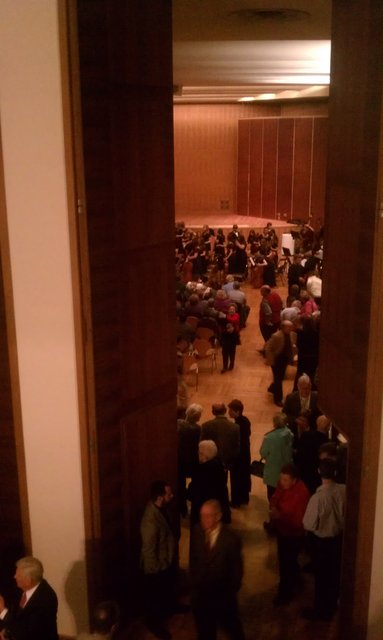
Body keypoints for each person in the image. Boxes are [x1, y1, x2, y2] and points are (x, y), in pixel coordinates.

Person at [189, 500, 245, 640]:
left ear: (218, 516)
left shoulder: (231, 539)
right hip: (201, 596)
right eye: (202, 515)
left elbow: (236, 572)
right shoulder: (197, 531)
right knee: (205, 632)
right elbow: (193, 560)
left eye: (208, 516)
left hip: (222, 597)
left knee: (232, 628)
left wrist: (227, 594)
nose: (204, 520)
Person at [303, 459, 346, 620]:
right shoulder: (343, 490)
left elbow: (308, 524)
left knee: (321, 578)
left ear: (319, 472)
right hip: (339, 539)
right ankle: (333, 604)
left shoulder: (318, 498)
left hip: (322, 542)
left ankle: (321, 611)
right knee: (334, 575)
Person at [140, 481, 183, 639]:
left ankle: (171, 607)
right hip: (156, 567)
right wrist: (155, 571)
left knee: (166, 590)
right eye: (168, 494)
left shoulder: (161, 509)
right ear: (160, 497)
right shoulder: (150, 522)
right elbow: (148, 550)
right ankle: (155, 625)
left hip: (165, 561)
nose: (172, 496)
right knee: (155, 598)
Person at [270, 464, 310, 605]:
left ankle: (285, 594)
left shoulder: (301, 493)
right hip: (283, 530)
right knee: (287, 562)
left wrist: (279, 515)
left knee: (286, 563)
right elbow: (276, 496)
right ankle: (296, 580)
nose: (282, 483)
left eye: (286, 480)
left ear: (294, 480)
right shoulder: (283, 484)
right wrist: (274, 506)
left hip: (293, 534)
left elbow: (298, 521)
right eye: (281, 479)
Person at [0, 556, 58, 640]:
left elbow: (25, 633)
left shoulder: (45, 600)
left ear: (28, 580)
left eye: (18, 575)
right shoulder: (23, 589)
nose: (14, 576)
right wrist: (5, 630)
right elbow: (16, 617)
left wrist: (2, 610)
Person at [189, 441, 231, 527]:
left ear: (204, 455)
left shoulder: (203, 471)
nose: (197, 454)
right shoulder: (218, 465)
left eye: (199, 452)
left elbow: (195, 491)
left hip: (205, 512)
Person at [260, 413, 293, 504]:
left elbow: (263, 453)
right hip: (286, 469)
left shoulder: (270, 437)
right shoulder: (290, 434)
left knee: (272, 495)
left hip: (273, 470)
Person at [177, 403, 203, 517]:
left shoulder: (178, 424)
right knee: (197, 483)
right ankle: (195, 507)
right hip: (193, 460)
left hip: (179, 459)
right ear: (197, 417)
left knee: (180, 484)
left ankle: (182, 508)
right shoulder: (198, 429)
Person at [200, 403, 240, 470]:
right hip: (226, 462)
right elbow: (236, 447)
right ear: (225, 411)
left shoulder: (206, 426)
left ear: (213, 412)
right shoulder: (235, 427)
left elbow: (202, 444)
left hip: (210, 461)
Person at [265, 320, 295, 406]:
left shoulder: (292, 335)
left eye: (291, 327)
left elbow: (292, 347)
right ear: (283, 327)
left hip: (284, 360)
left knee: (280, 377)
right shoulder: (276, 336)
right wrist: (271, 361)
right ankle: (278, 399)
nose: (290, 328)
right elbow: (268, 348)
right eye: (288, 327)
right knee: (278, 379)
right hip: (277, 360)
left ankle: (272, 388)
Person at [228, 399, 251, 507]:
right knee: (244, 475)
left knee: (236, 478)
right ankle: (244, 498)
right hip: (246, 453)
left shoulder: (236, 426)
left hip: (238, 455)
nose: (229, 412)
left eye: (231, 410)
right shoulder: (246, 421)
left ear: (237, 411)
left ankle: (236, 501)